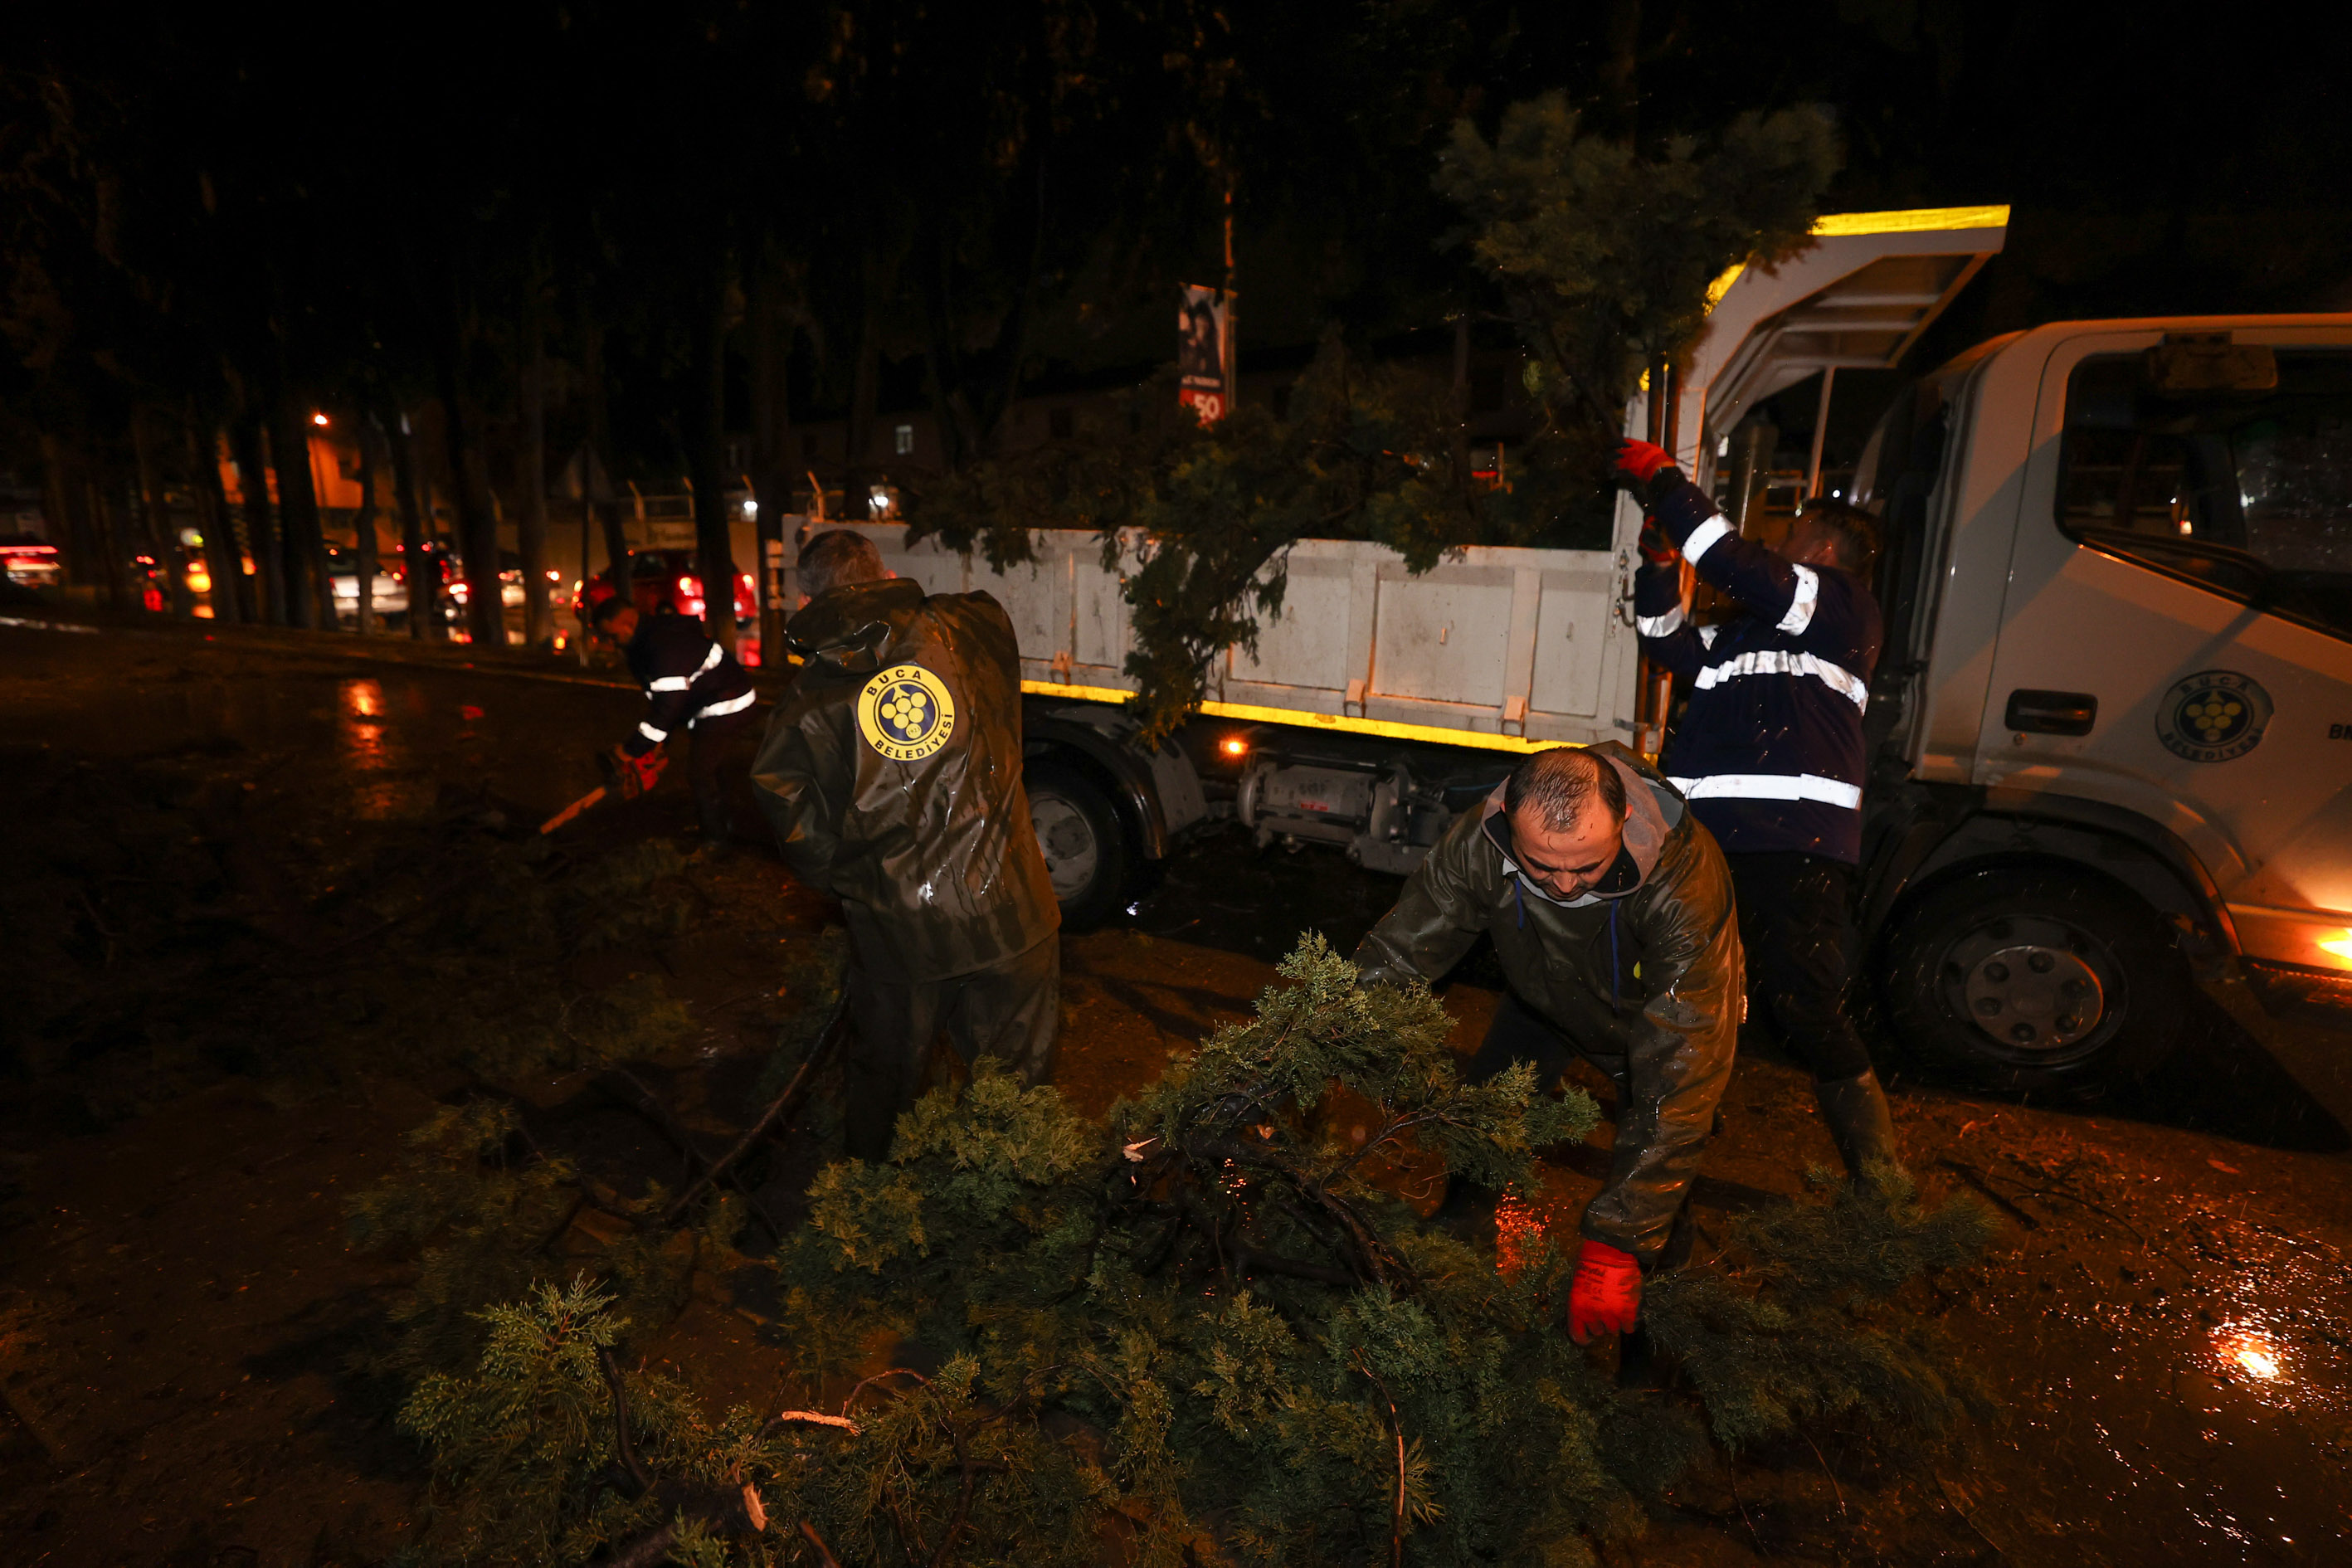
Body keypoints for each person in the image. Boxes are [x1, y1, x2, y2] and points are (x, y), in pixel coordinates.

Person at [1353, 743, 1741, 1345]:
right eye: (1540, 866)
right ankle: (1454, 1284)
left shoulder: (1683, 880)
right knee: (1481, 1125)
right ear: (1511, 820)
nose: (1562, 886)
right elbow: (1401, 952)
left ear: (1624, 820)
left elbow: (1683, 1064)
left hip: (1644, 1027)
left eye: (1586, 868)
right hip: (1541, 999)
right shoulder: (1480, 840)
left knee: (1656, 1182)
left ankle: (1654, 1347)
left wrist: (1617, 1240)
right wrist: (1310, 1041)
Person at [1615, 437, 1899, 1181]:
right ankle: (1669, 1130)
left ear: (1825, 551)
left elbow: (1731, 561)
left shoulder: (1842, 608)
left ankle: (1879, 1182)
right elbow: (1666, 643)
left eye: (1794, 533)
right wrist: (1657, 567)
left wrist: (1667, 484)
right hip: (1708, 843)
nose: (1779, 543)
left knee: (1804, 1004)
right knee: (1683, 988)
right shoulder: (1747, 631)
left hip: (1790, 846)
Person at [751, 528, 1062, 1161]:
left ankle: (873, 1200)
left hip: (901, 926)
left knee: (887, 1085)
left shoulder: (809, 699)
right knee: (1017, 1088)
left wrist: (848, 879)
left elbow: (786, 803)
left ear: (807, 601)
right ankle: (1011, 1202)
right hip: (1013, 905)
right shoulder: (972, 628)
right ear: (886, 573)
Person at [591, 593, 759, 847]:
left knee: (700, 772)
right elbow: (663, 702)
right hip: (710, 701)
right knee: (711, 767)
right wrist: (658, 743)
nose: (611, 644)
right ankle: (722, 824)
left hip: (727, 704)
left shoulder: (662, 645)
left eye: (612, 636)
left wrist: (632, 750)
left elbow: (668, 706)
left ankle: (715, 841)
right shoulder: (642, 645)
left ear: (627, 623)